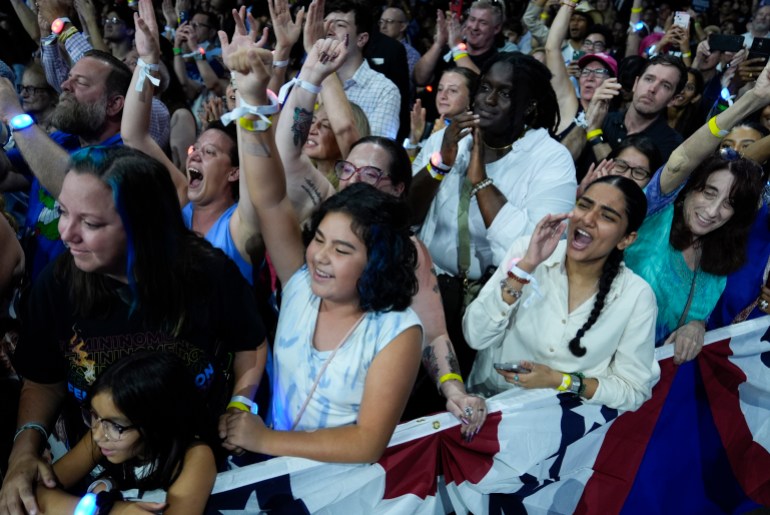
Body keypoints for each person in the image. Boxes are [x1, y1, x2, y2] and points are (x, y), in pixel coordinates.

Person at [2, 146, 266, 515]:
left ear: (143, 227)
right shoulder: (57, 283)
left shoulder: (207, 273)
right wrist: (23, 452)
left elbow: (249, 345)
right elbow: (43, 381)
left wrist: (240, 403)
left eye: (91, 223)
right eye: (63, 212)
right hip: (97, 468)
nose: (66, 234)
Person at [219, 39, 423, 463]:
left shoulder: (397, 331)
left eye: (342, 249)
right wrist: (254, 100)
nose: (319, 257)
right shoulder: (301, 286)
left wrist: (264, 441)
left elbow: (367, 443)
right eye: (319, 241)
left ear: (377, 261)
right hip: (273, 484)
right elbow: (271, 198)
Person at [408, 52, 576, 376]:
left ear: (528, 106)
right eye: (485, 87)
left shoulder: (551, 160)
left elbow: (535, 251)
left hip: (496, 307)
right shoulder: (448, 139)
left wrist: (481, 181)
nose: (489, 99)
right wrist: (440, 162)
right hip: (429, 294)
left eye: (505, 92)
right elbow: (405, 217)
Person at [464, 175, 660, 412]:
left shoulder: (636, 296)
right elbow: (475, 336)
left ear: (626, 239)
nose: (588, 219)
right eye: (584, 205)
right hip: (488, 409)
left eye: (607, 216)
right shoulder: (527, 251)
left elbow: (633, 390)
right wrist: (524, 269)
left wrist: (560, 380)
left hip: (559, 429)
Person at [622, 58, 770, 362]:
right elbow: (681, 161)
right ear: (688, 189)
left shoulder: (720, 261)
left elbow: (698, 314)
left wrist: (697, 325)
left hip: (640, 387)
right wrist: (753, 98)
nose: (713, 210)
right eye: (708, 192)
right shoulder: (653, 215)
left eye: (729, 204)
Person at [32, 352, 217, 514]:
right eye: (94, 416)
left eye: (116, 426)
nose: (97, 435)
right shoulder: (103, 433)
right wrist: (110, 510)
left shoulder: (196, 456)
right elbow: (35, 491)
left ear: (155, 424)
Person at [406, 67, 479, 159]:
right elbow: (410, 172)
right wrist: (414, 139)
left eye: (453, 90)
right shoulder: (437, 128)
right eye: (440, 89)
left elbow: (435, 172)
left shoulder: (466, 138)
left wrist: (438, 141)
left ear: (471, 99)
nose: (443, 96)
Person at [578, 135, 663, 195]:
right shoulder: (581, 191)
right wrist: (582, 194)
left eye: (639, 172)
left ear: (651, 180)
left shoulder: (651, 215)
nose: (626, 176)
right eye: (621, 166)